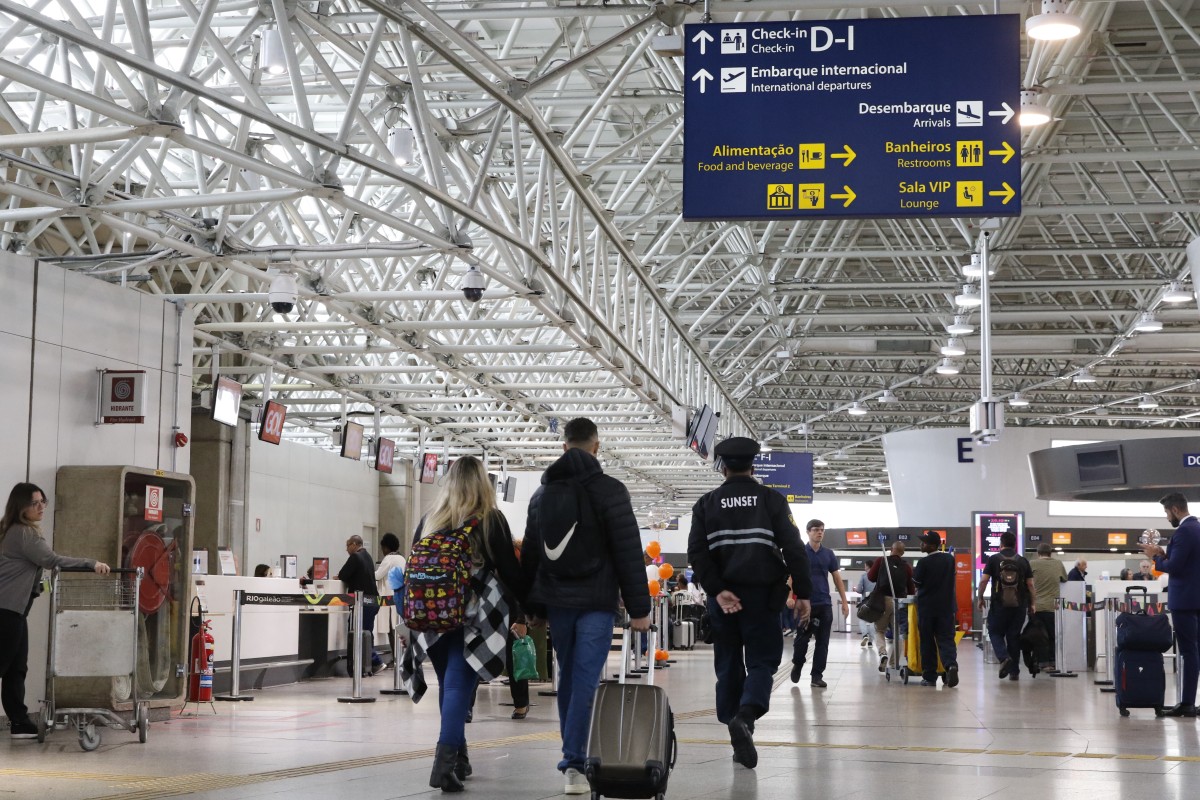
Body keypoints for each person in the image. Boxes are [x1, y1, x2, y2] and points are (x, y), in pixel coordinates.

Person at [521, 417, 651, 795]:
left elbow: (531, 555)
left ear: (564, 447)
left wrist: (529, 606)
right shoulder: (611, 491)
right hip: (596, 599)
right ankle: (575, 762)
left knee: (570, 678)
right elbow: (627, 551)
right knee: (586, 678)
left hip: (558, 601)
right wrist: (640, 609)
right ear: (596, 447)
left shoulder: (542, 495)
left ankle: (573, 759)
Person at [401, 456, 530, 791]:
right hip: (473, 617)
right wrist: (528, 610)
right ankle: (442, 766)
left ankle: (459, 758)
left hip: (430, 616)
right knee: (460, 685)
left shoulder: (430, 520)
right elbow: (511, 573)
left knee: (449, 684)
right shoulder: (491, 520)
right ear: (483, 484)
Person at [688, 437, 811, 770]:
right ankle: (746, 716)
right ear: (753, 466)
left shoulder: (706, 504)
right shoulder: (772, 500)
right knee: (761, 663)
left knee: (728, 664)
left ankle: (736, 730)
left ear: (722, 467)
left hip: (723, 600)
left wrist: (717, 590)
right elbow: (794, 550)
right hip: (762, 598)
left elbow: (697, 554)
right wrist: (803, 593)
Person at [0, 483, 111, 739]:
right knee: (4, 664)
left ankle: (19, 722)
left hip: (15, 610)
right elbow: (52, 560)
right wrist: (91, 563)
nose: (41, 507)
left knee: (16, 668)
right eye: (34, 503)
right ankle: (18, 720)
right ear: (21, 506)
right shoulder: (24, 534)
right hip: (7, 610)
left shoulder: (12, 530)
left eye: (43, 501)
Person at [1141, 492, 1200, 717]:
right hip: (1197, 597)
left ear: (1175, 509)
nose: (1167, 517)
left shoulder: (1183, 531)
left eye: (1166, 512)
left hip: (1184, 599)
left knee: (1188, 650)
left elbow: (1175, 567)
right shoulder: (1197, 528)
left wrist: (1155, 558)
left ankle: (1187, 703)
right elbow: (1187, 562)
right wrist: (1163, 553)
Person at [790, 518, 848, 688]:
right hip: (804, 603)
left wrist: (844, 602)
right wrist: (789, 596)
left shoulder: (828, 554)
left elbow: (837, 578)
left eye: (822, 530)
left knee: (823, 642)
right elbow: (792, 576)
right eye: (816, 529)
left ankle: (817, 676)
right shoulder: (801, 551)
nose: (820, 532)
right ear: (808, 532)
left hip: (824, 604)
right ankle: (798, 663)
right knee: (801, 640)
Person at [977, 532, 1035, 681]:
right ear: (1015, 544)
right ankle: (1014, 672)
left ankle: (1003, 658)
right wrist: (1032, 603)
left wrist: (980, 598)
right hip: (1019, 605)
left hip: (999, 604)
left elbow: (983, 581)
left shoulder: (994, 559)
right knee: (1014, 636)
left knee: (995, 632)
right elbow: (1030, 584)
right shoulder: (1022, 561)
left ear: (1000, 544)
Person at [912, 530, 959, 687]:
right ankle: (951, 665)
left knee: (927, 642)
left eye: (924, 542)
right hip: (946, 607)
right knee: (946, 638)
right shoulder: (949, 559)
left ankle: (930, 676)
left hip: (927, 608)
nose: (921, 544)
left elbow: (916, 583)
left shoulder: (923, 563)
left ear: (931, 545)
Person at [338, 534, 383, 676]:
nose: (346, 549)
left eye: (347, 545)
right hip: (373, 600)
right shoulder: (367, 556)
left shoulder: (355, 557)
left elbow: (343, 575)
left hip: (363, 602)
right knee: (367, 633)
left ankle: (375, 662)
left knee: (359, 632)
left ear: (354, 544)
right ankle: (368, 666)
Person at [866, 542, 915, 673]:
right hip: (900, 602)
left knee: (879, 630)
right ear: (903, 553)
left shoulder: (882, 560)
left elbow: (870, 577)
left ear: (890, 549)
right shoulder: (907, 567)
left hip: (883, 601)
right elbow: (911, 589)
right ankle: (894, 662)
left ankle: (883, 654)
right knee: (898, 633)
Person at [1028, 543, 1067, 673]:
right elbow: (1064, 579)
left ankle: (1042, 663)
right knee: (1052, 635)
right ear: (1051, 553)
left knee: (1039, 636)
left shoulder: (1032, 564)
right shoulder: (1058, 564)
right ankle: (1053, 661)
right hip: (1052, 607)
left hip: (1036, 606)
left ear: (1038, 553)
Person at [375, 533, 406, 665]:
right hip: (400, 596)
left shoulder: (389, 559)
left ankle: (396, 658)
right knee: (398, 628)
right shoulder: (402, 558)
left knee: (391, 630)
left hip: (388, 598)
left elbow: (377, 576)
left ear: (386, 547)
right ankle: (400, 657)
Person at [855, 571, 876, 648]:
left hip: (865, 601)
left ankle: (865, 635)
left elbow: (859, 590)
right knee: (872, 621)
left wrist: (855, 589)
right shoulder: (878, 575)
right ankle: (870, 642)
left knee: (862, 619)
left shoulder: (864, 576)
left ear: (867, 566)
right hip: (876, 602)